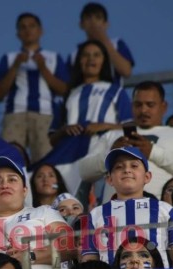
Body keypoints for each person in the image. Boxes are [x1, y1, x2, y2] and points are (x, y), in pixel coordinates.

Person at [79, 81, 173, 199]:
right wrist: (111, 153)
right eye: (138, 105)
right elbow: (84, 171)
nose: (144, 110)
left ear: (164, 106)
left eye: (150, 105)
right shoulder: (112, 135)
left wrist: (152, 152)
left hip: (161, 215)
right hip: (114, 218)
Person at [40, 39, 132, 197]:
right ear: (79, 61)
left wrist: (104, 125)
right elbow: (52, 138)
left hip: (101, 150)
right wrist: (64, 130)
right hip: (68, 154)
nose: (91, 59)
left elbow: (131, 126)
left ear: (104, 61)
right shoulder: (68, 95)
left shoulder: (116, 91)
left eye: (96, 55)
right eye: (86, 55)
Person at [81, 147, 173, 268]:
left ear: (147, 177)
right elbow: (89, 258)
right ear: (109, 179)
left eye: (134, 166)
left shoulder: (165, 209)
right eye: (119, 167)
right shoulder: (95, 214)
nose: (127, 170)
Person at [0, 12, 69, 163]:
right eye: (23, 27)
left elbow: (64, 89)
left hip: (45, 115)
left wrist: (43, 68)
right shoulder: (9, 58)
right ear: (18, 33)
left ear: (40, 31)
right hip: (14, 114)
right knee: (8, 159)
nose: (28, 30)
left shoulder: (53, 57)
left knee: (46, 161)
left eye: (32, 26)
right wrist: (15, 66)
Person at [70, 2, 135, 84]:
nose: (93, 22)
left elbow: (126, 71)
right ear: (81, 24)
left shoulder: (117, 44)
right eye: (88, 18)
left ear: (106, 24)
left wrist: (103, 40)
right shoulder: (75, 54)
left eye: (98, 18)